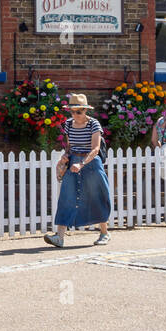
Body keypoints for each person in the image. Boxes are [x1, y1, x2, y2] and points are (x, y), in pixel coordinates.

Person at [44, 93, 112, 247]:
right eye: (72, 111)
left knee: (96, 197)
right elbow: (69, 145)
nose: (75, 115)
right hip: (73, 161)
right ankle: (59, 237)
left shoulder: (93, 124)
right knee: (67, 197)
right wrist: (65, 156)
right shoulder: (68, 124)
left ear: (85, 110)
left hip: (91, 163)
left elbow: (95, 149)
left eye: (78, 112)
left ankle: (104, 233)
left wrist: (81, 164)